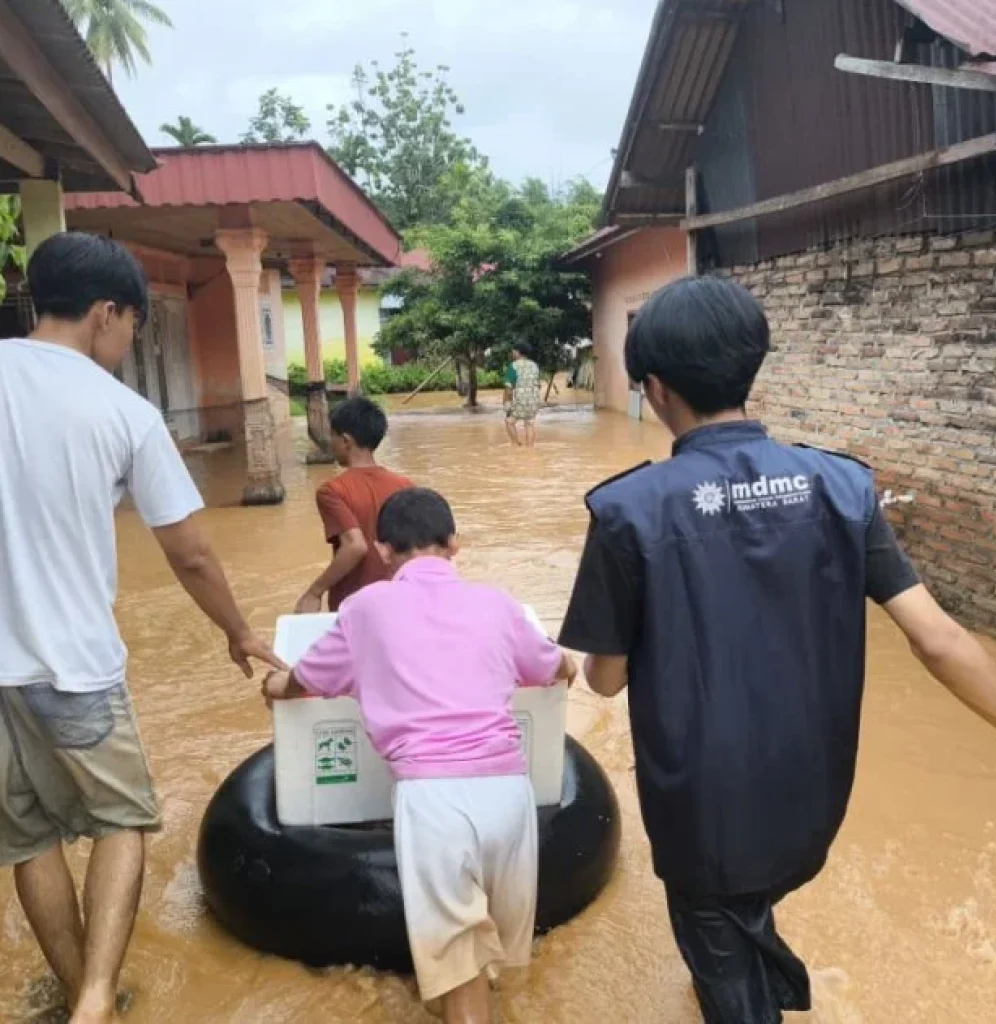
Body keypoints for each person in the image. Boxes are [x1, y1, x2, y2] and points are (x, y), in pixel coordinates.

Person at [557, 276, 996, 1024]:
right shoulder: (841, 487)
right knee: (748, 911)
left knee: (718, 942)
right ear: (753, 367)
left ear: (654, 388)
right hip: (811, 797)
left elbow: (606, 682)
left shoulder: (629, 510)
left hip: (702, 809)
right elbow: (937, 638)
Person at [0, 232, 285, 1024]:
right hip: (73, 666)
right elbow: (190, 553)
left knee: (25, 839)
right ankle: (97, 997)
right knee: (121, 820)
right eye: (132, 326)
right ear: (105, 313)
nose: (130, 344)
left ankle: (78, 992)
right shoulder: (122, 411)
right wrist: (236, 632)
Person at [266, 487, 578, 1024]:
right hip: (511, 795)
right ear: (454, 543)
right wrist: (566, 666)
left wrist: (274, 685)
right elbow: (554, 667)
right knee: (482, 965)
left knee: (457, 968)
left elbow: (307, 680)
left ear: (383, 552)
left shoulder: (364, 608)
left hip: (434, 804)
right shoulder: (498, 604)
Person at [294, 396, 412, 614]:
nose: (330, 442)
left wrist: (314, 592)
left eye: (332, 435)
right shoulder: (406, 486)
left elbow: (355, 545)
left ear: (346, 441)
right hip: (399, 604)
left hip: (354, 607)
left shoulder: (332, 491)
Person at [503, 342, 542, 448]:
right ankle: (530, 450)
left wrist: (506, 403)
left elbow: (508, 388)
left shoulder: (513, 366)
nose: (512, 353)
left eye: (513, 351)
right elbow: (538, 384)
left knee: (509, 421)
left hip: (520, 400)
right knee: (529, 424)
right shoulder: (534, 365)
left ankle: (516, 445)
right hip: (534, 400)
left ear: (517, 352)